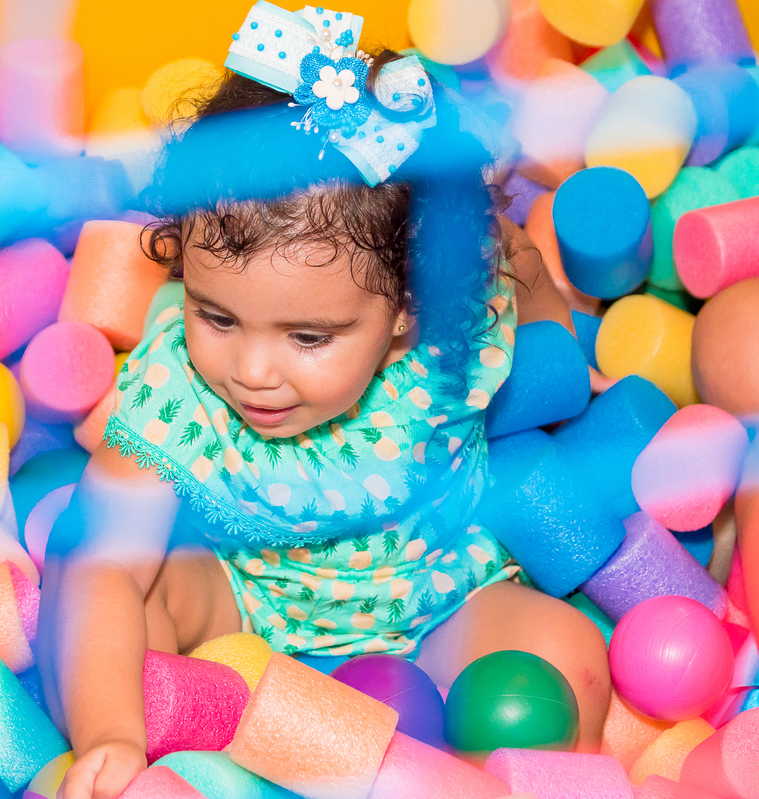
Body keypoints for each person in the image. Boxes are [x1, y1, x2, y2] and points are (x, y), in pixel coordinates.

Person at [39, 6, 610, 798]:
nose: (251, 370)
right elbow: (102, 563)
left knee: (569, 661)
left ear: (408, 307)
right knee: (103, 574)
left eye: (308, 337)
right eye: (216, 316)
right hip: (245, 616)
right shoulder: (181, 396)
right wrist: (110, 733)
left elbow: (521, 276)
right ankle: (170, 756)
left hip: (437, 599)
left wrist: (571, 354)